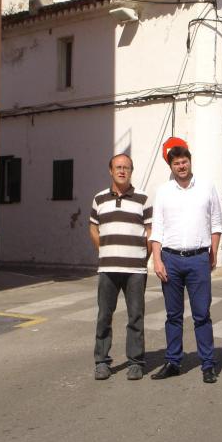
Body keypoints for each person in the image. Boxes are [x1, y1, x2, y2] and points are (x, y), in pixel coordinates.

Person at [149, 145, 222, 383]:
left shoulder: (206, 187)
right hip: (170, 259)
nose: (181, 166)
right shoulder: (163, 191)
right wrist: (157, 260)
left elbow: (216, 223)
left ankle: (208, 364)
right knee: (173, 315)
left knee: (202, 314)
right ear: (171, 166)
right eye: (176, 163)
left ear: (190, 161)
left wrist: (213, 253)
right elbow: (157, 228)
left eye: (184, 162)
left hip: (198, 259)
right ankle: (173, 362)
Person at [89, 154, 152, 381]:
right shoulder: (99, 199)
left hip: (135, 270)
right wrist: (105, 250)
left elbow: (150, 232)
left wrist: (142, 257)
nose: (122, 171)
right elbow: (93, 228)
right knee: (104, 316)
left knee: (135, 317)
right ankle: (101, 362)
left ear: (131, 171)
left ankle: (135, 363)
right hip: (108, 268)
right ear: (110, 170)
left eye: (126, 167)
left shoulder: (143, 199)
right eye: (118, 167)